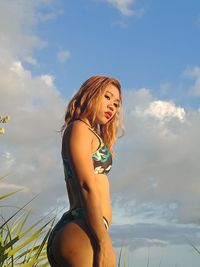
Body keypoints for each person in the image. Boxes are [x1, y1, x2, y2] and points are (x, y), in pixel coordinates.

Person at [47, 75, 124, 267]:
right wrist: (103, 241)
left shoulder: (86, 132)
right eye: (107, 97)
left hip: (82, 229)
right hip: (85, 229)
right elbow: (86, 185)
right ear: (90, 94)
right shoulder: (79, 128)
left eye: (116, 104)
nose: (112, 107)